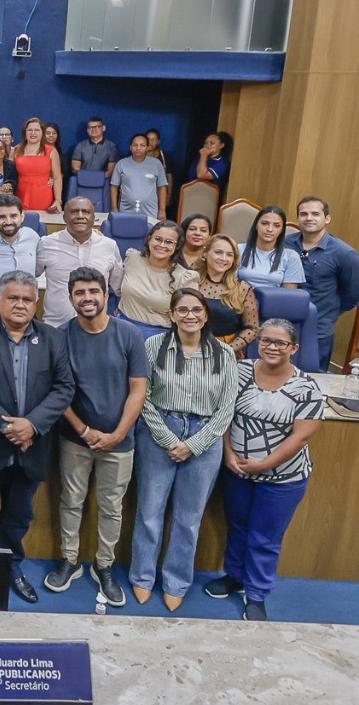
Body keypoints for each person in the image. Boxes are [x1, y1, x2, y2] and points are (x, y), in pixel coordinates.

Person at [0, 270, 74, 603]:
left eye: (27, 299)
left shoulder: (53, 338)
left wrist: (32, 425)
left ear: (36, 302)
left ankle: (11, 567)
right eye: (13, 298)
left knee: (18, 518)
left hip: (31, 448)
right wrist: (8, 426)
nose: (21, 305)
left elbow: (64, 387)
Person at [44, 267, 148, 607]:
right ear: (70, 297)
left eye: (93, 292)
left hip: (121, 442)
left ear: (106, 295)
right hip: (75, 440)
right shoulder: (60, 336)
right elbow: (58, 392)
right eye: (79, 293)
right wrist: (85, 430)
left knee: (112, 507)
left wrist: (118, 433)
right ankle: (70, 560)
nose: (87, 298)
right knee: (71, 501)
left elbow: (139, 389)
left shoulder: (130, 335)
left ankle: (104, 565)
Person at [206, 319, 322, 621]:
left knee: (265, 538)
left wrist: (264, 464)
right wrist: (228, 454)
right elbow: (225, 414)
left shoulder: (306, 387)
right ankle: (235, 577)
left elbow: (302, 435)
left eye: (280, 342)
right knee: (239, 527)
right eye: (266, 340)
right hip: (239, 471)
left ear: (294, 348)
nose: (272, 347)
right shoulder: (241, 371)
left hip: (283, 479)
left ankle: (256, 594)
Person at [131, 288, 238, 611]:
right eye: (183, 310)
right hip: (158, 432)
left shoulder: (224, 353)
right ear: (172, 315)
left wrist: (193, 445)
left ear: (206, 315)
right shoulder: (153, 347)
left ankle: (176, 581)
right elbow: (143, 398)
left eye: (196, 310)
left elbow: (226, 408)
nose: (190, 315)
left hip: (205, 440)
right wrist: (168, 439)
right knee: (149, 511)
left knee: (189, 518)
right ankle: (142, 577)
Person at [287, 196, 359, 368]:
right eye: (303, 214)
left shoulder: (344, 253)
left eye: (315, 214)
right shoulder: (285, 244)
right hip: (285, 325)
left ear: (327, 218)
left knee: (313, 380)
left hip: (318, 329)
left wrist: (331, 310)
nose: (309, 218)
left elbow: (353, 292)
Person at [35, 197, 124, 327]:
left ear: (94, 217)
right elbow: (30, 275)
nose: (80, 216)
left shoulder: (109, 246)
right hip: (56, 327)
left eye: (86, 212)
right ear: (64, 217)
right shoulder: (47, 244)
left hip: (96, 329)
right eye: (74, 212)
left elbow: (119, 288)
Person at [118, 220, 200, 338]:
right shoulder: (132, 258)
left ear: (176, 246)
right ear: (149, 238)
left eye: (169, 242)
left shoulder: (185, 277)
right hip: (121, 328)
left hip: (156, 337)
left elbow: (188, 318)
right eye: (158, 239)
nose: (162, 245)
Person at [198, 234, 260, 353]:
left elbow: (252, 329)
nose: (223, 258)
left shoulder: (242, 288)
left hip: (225, 349)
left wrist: (228, 349)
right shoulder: (190, 281)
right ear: (205, 254)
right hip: (188, 347)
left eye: (229, 255)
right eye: (218, 252)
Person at [237, 206, 304, 290]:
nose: (270, 229)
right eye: (264, 223)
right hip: (238, 300)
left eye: (276, 225)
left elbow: (287, 296)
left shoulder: (291, 257)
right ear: (256, 225)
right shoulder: (238, 250)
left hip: (275, 301)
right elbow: (229, 284)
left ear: (282, 229)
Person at [110, 134, 168, 219]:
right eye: (135, 145)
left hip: (150, 210)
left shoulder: (156, 164)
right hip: (126, 210)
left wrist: (162, 210)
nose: (138, 148)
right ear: (130, 147)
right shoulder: (121, 164)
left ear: (148, 147)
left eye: (142, 145)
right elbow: (114, 187)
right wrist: (114, 208)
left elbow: (162, 187)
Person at [15, 117, 62, 213]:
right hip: (20, 195)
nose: (33, 133)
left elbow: (57, 177)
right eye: (30, 130)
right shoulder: (16, 150)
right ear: (25, 132)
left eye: (37, 130)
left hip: (43, 195)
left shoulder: (51, 151)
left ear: (42, 132)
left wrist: (58, 200)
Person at [188, 131, 233, 201]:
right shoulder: (198, 160)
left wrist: (204, 155)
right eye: (206, 143)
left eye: (212, 143)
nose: (207, 146)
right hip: (192, 196)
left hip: (209, 200)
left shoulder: (222, 163)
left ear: (221, 145)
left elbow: (201, 175)